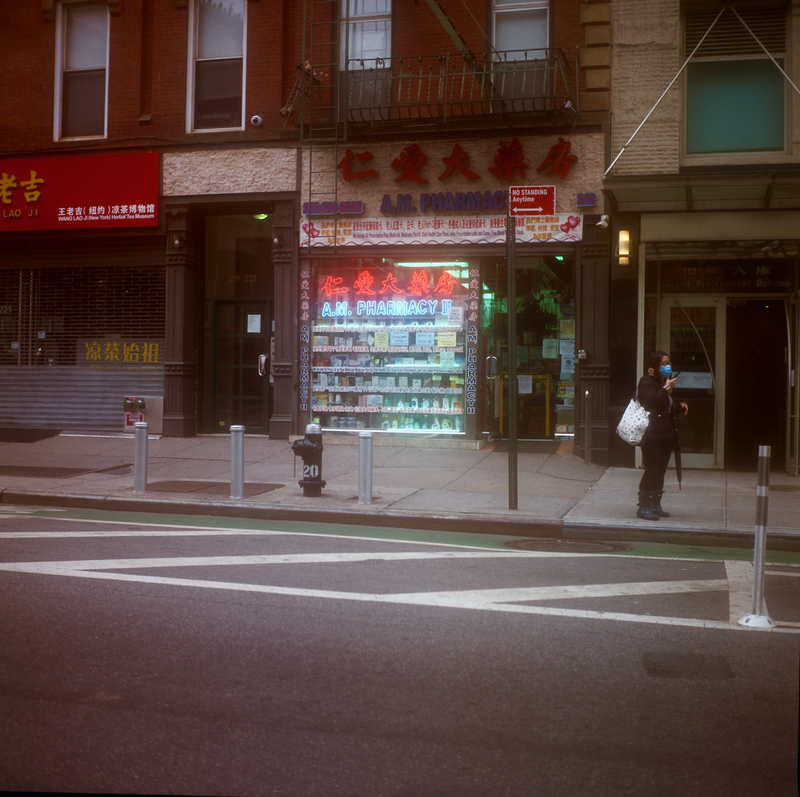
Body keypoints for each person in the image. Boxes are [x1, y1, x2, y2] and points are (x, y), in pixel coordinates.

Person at [635, 351, 688, 521]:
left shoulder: (661, 382)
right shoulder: (646, 382)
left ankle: (655, 504)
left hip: (666, 433)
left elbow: (664, 407)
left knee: (661, 470)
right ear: (653, 367)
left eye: (669, 363)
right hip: (651, 435)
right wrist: (667, 388)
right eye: (664, 364)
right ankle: (644, 506)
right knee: (652, 469)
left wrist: (678, 407)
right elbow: (651, 402)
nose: (668, 367)